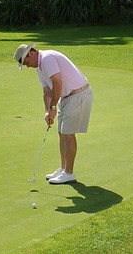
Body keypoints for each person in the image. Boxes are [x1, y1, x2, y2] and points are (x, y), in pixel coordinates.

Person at [14, 43, 92, 184]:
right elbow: (47, 91)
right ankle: (63, 169)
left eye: (25, 62)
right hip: (67, 97)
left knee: (68, 133)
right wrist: (47, 111)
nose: (26, 66)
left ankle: (69, 173)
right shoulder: (39, 68)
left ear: (30, 54)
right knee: (62, 133)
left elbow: (57, 84)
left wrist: (53, 107)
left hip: (78, 94)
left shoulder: (47, 59)